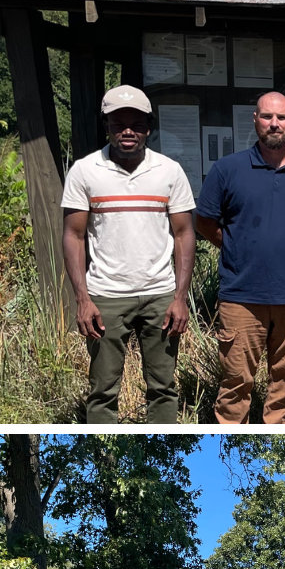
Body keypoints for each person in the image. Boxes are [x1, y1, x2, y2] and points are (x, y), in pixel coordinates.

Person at [196, 91, 285, 424]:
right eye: (266, 117)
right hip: (242, 296)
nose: (273, 124)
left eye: (281, 117)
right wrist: (237, 246)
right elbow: (205, 222)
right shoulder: (228, 170)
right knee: (234, 385)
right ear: (255, 121)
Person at [61, 85, 196, 424]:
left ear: (149, 127)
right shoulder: (85, 170)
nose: (127, 132)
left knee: (163, 387)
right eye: (118, 123)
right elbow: (73, 235)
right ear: (105, 126)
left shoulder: (169, 171)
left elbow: (184, 233)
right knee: (103, 390)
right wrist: (82, 299)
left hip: (160, 296)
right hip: (105, 296)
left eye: (136, 124)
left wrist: (180, 298)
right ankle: (104, 455)